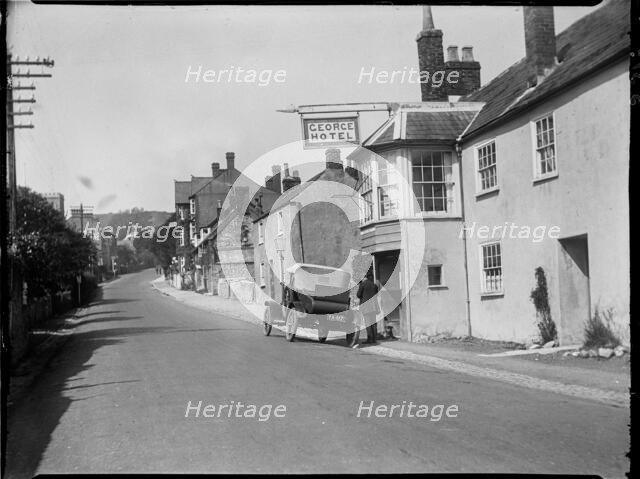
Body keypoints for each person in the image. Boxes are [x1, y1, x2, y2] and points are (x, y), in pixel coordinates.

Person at [357, 271, 379, 344]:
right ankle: (374, 339)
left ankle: (369, 339)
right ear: (371, 277)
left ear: (366, 276)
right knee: (373, 323)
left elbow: (358, 295)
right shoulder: (375, 286)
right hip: (373, 307)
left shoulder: (363, 284)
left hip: (366, 307)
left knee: (368, 323)